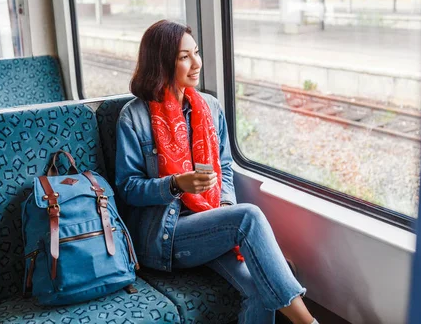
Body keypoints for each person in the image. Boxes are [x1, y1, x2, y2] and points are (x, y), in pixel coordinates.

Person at [115, 20, 318, 324]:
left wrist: (223, 204)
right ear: (161, 63)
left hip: (208, 219)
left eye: (195, 53)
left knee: (257, 287)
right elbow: (128, 189)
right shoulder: (134, 118)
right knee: (247, 216)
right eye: (184, 57)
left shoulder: (209, 106)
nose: (196, 63)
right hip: (164, 234)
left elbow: (223, 166)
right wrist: (175, 184)